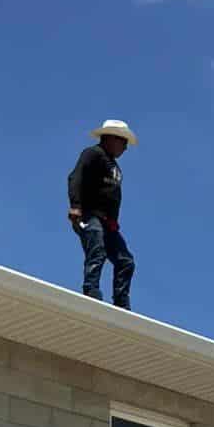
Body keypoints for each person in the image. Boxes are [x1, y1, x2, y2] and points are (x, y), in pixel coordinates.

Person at [67, 119, 137, 308]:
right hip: (91, 215)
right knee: (97, 249)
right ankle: (91, 291)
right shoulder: (93, 154)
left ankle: (121, 302)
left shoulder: (115, 167)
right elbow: (76, 176)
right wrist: (75, 206)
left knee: (126, 261)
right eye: (123, 142)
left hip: (109, 223)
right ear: (112, 138)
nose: (125, 148)